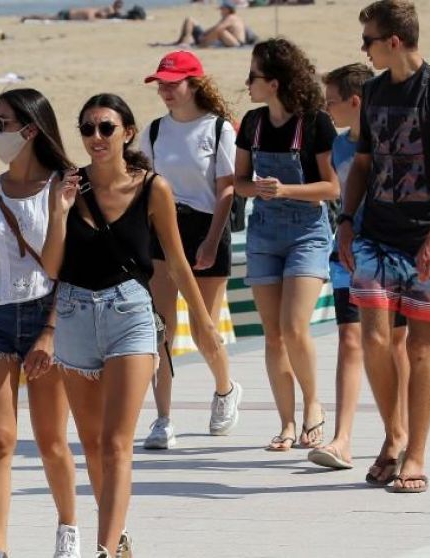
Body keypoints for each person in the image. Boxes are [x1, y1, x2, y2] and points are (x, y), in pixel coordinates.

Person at [42, 93, 226, 558]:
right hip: (74, 315)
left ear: (127, 133)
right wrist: (60, 211)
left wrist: (203, 322)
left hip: (130, 315)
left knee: (116, 443)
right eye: (87, 129)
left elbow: (177, 262)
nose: (96, 137)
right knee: (91, 444)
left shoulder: (153, 188)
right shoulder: (67, 186)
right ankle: (119, 536)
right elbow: (51, 266)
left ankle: (103, 549)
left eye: (106, 128)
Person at [338, 0, 430, 493]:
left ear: (393, 41)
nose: (364, 50)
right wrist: (346, 220)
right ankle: (394, 436)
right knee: (374, 339)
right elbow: (362, 164)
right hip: (376, 233)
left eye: (368, 40)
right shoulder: (373, 92)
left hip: (426, 238)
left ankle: (415, 455)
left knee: (419, 347)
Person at [0, 88, 81, 558]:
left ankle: (68, 528)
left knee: (51, 441)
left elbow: (70, 270)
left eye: (2, 123)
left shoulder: (62, 189)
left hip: (44, 315)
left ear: (30, 130)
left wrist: (50, 332)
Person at [234, 38, 339, 452]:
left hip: (307, 232)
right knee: (273, 335)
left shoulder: (315, 123)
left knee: (295, 328)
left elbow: (331, 188)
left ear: (274, 83)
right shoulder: (252, 122)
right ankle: (287, 423)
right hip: (263, 233)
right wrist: (256, 189)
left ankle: (313, 404)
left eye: (253, 76)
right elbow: (239, 182)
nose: (247, 83)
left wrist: (285, 190)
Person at [308, 62, 411, 471]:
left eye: (331, 101)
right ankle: (342, 439)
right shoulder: (338, 145)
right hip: (348, 253)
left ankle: (398, 431)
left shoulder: (387, 143)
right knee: (350, 339)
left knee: (396, 343)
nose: (326, 109)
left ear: (355, 102)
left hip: (390, 253)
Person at [139, 51, 242, 450]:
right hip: (163, 228)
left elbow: (227, 189)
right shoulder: (154, 131)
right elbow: (144, 184)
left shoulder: (218, 128)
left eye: (173, 83)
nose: (165, 90)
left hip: (206, 226)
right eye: (161, 84)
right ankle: (163, 417)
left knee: (203, 328)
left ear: (194, 83)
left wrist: (212, 240)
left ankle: (225, 389)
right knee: (161, 328)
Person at [160, 0, 248, 48]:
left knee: (220, 31)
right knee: (190, 20)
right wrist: (205, 32)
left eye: (222, 8)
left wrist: (205, 39)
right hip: (225, 40)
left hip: (236, 43)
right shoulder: (226, 18)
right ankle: (183, 41)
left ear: (228, 10)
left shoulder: (231, 17)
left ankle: (191, 43)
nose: (220, 10)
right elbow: (216, 27)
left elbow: (219, 29)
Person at [22, 1, 124, 22]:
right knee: (46, 18)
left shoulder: (96, 11)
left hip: (67, 14)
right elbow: (90, 19)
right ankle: (28, 17)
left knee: (47, 17)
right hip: (66, 15)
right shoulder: (91, 12)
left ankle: (29, 16)